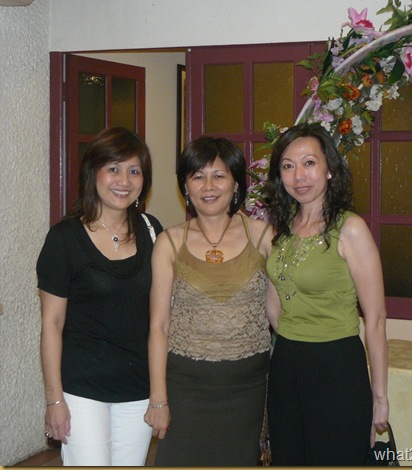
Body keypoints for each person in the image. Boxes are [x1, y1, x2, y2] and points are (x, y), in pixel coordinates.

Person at [143, 136, 274, 466]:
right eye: (198, 176)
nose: (208, 186)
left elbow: (281, 315)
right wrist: (158, 399)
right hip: (185, 388)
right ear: (185, 186)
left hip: (248, 389)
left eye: (219, 176)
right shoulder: (169, 242)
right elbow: (159, 326)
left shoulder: (264, 236)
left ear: (236, 183)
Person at [37, 127, 163, 466]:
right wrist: (54, 401)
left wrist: (159, 394)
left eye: (134, 170)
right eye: (114, 168)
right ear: (93, 172)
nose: (124, 180)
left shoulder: (152, 231)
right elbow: (51, 324)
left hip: (138, 389)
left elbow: (161, 317)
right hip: (82, 391)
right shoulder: (64, 239)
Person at [264, 123, 388, 466]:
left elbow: (376, 318)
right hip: (287, 363)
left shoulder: (350, 228)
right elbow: (275, 304)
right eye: (288, 166)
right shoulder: (281, 229)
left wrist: (380, 396)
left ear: (329, 169)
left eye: (309, 163)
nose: (299, 176)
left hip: (336, 366)